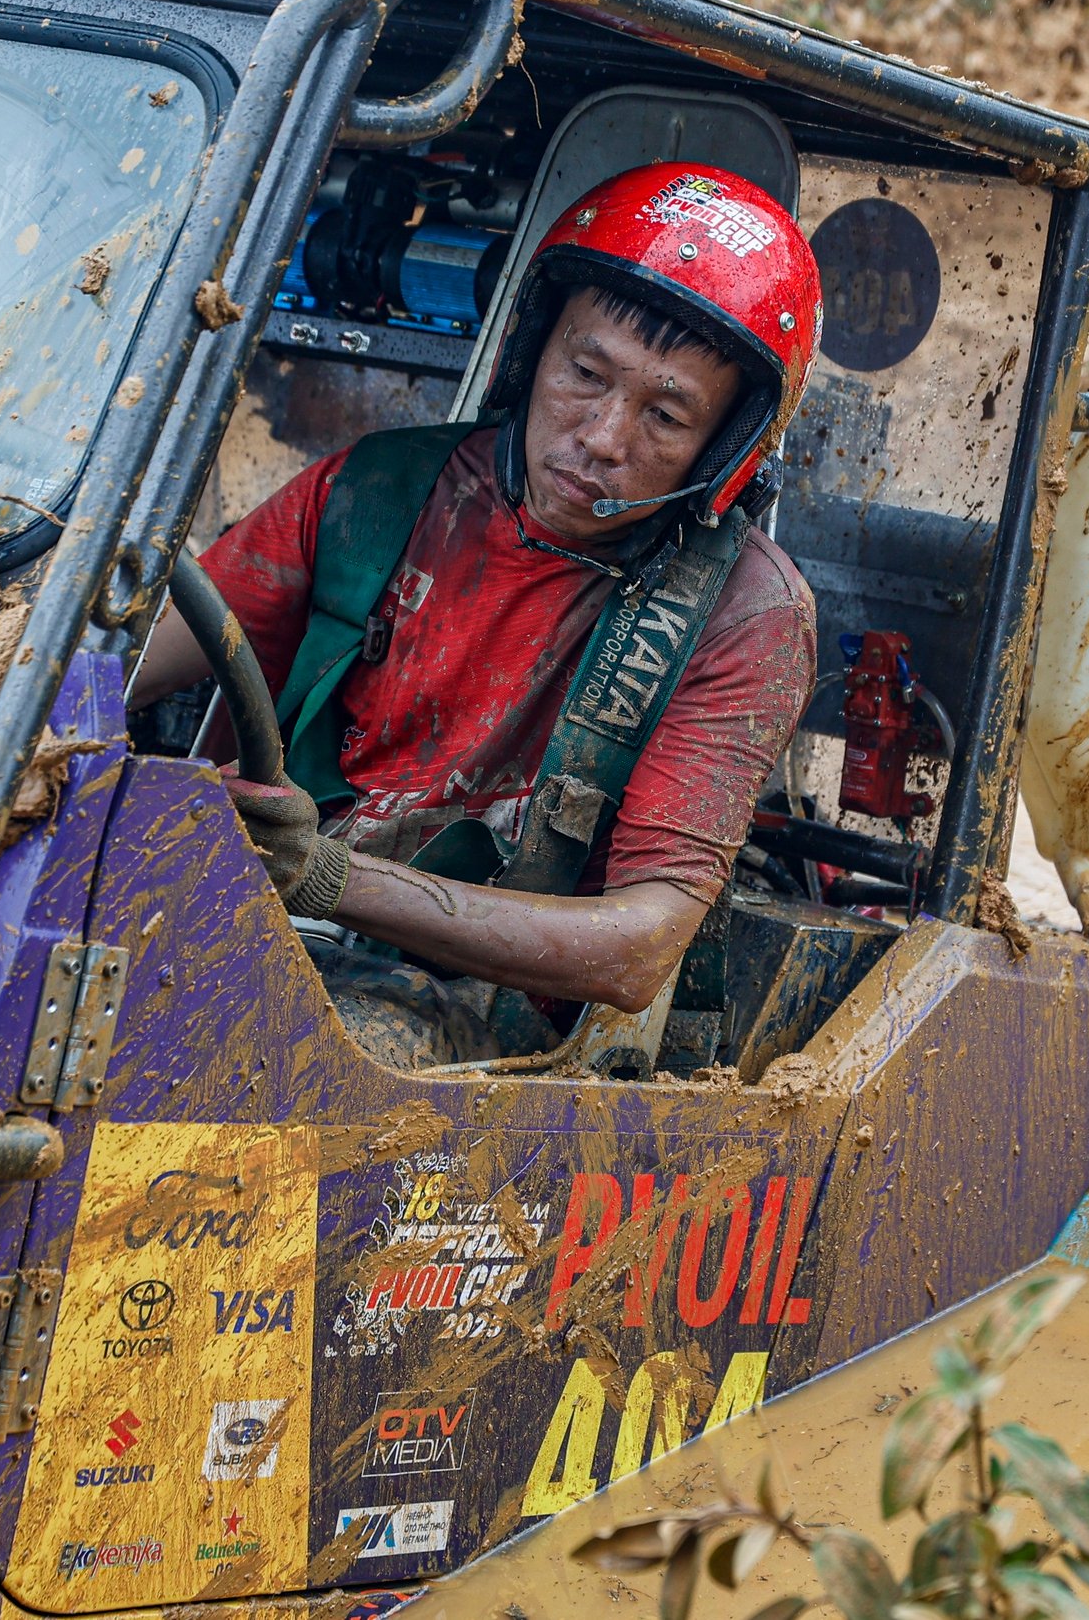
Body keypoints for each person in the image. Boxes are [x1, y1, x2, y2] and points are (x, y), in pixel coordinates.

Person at [129, 163, 822, 1066]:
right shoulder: (376, 490)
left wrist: (331, 876)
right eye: (584, 374)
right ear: (532, 351)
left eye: (665, 415)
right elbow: (118, 657)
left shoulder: (747, 617)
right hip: (260, 920)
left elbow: (640, 948)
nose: (604, 438)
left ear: (725, 448)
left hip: (485, 1022)